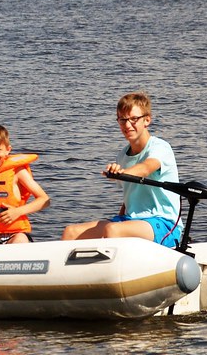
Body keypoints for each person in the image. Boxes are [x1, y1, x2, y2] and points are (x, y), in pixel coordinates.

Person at [61, 92, 182, 248]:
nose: (127, 125)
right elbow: (129, 198)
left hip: (165, 223)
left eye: (133, 119)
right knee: (71, 232)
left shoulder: (160, 147)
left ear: (147, 120)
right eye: (122, 120)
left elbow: (146, 168)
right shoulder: (122, 155)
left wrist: (121, 174)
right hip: (131, 219)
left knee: (113, 230)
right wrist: (119, 217)